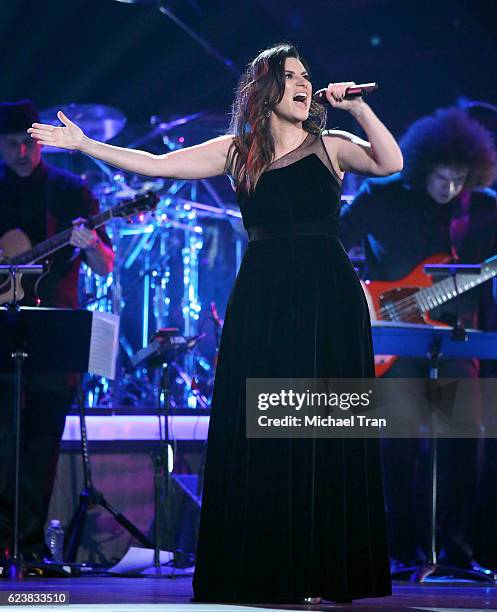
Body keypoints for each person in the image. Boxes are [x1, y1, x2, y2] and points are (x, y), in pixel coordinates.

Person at [29, 43, 402, 602]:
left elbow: (391, 163)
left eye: (307, 77)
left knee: (323, 429)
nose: (304, 84)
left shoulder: (333, 145)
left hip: (329, 298)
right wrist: (84, 145)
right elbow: (155, 165)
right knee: (265, 426)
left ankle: (325, 568)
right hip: (264, 297)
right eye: (292, 76)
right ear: (267, 89)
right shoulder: (238, 150)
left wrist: (356, 108)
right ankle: (268, 566)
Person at [339, 107, 497, 572]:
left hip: (456, 337)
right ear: (425, 166)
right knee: (395, 442)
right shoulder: (381, 194)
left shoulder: (483, 206)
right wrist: (360, 301)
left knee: (465, 436)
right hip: (392, 333)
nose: (450, 189)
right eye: (443, 178)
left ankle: (456, 551)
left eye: (459, 179)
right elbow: (331, 240)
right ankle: (394, 549)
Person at [0, 99, 114, 563]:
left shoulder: (71, 191)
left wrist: (88, 245)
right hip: (4, 331)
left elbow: (105, 266)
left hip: (54, 329)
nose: (22, 152)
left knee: (43, 443)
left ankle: (27, 548)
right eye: (11, 144)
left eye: (29, 143)